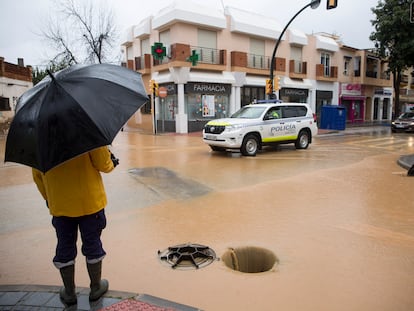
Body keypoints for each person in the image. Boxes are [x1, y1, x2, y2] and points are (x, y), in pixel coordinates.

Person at [32, 146, 119, 306]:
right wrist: (111, 161)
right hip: (90, 202)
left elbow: (38, 176)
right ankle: (96, 287)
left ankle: (70, 293)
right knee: (92, 243)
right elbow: (103, 164)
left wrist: (50, 198)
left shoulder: (40, 140)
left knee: (64, 246)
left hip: (60, 205)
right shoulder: (86, 129)